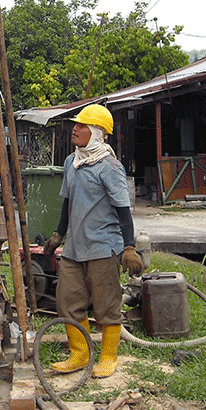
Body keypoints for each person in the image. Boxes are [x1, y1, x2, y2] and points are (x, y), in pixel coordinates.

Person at [43, 104, 144, 378]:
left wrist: (129, 247)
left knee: (106, 305)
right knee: (68, 301)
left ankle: (109, 357)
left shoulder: (110, 167)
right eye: (76, 124)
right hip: (75, 247)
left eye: (82, 125)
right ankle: (79, 354)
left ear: (98, 133)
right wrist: (58, 234)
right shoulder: (71, 162)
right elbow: (67, 203)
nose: (75, 129)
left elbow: (124, 211)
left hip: (103, 246)